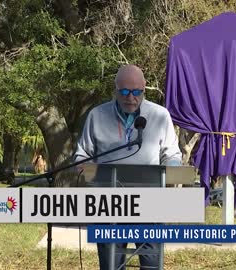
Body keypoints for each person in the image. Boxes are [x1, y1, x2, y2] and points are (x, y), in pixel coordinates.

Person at [74, 64, 182, 269]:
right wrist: (85, 169)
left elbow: (172, 154)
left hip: (150, 206)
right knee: (111, 265)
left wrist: (173, 171)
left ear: (144, 88)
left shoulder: (160, 116)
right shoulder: (97, 116)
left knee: (152, 264)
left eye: (136, 92)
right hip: (107, 206)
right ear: (115, 90)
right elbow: (81, 155)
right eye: (123, 91)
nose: (130, 97)